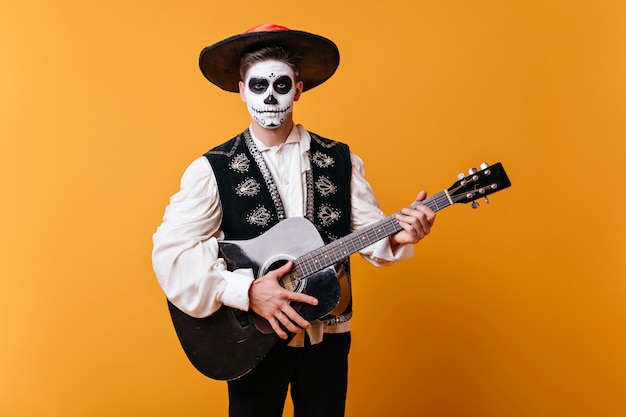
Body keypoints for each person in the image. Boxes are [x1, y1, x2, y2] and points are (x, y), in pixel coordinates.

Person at [152, 24, 436, 417]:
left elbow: (373, 235)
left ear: (298, 89)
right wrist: (245, 292)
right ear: (241, 90)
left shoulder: (340, 160)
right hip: (251, 338)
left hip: (327, 338)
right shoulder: (211, 169)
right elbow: (172, 253)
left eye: (281, 85)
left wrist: (404, 236)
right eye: (257, 86)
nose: (270, 96)